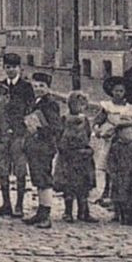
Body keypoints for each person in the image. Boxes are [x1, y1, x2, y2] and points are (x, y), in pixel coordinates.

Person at [0, 53, 36, 218]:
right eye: (8, 67)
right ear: (4, 68)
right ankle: (6, 203)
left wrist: (22, 127)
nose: (11, 70)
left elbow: (30, 109)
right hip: (3, 133)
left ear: (20, 68)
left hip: (19, 133)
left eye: (14, 67)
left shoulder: (26, 87)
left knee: (20, 169)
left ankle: (19, 204)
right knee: (2, 168)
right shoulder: (0, 87)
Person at [20, 72, 63, 229]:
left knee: (44, 180)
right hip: (35, 145)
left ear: (48, 88)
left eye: (42, 86)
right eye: (35, 85)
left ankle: (46, 216)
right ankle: (40, 212)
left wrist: (38, 129)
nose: (38, 89)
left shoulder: (50, 104)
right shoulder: (36, 101)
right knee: (37, 179)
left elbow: (56, 128)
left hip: (44, 145)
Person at [98, 77, 132, 225]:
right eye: (116, 91)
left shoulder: (130, 108)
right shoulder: (107, 106)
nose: (118, 93)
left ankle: (127, 209)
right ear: (111, 92)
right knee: (112, 172)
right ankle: (114, 206)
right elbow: (98, 121)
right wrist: (99, 130)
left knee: (127, 176)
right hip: (111, 142)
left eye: (121, 91)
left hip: (126, 143)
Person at [54, 91, 96, 223]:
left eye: (82, 105)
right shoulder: (64, 119)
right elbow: (59, 136)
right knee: (69, 185)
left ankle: (83, 212)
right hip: (68, 156)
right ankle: (68, 212)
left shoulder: (85, 120)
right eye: (76, 104)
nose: (79, 107)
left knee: (83, 185)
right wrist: (63, 148)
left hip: (82, 155)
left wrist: (86, 149)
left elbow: (88, 135)